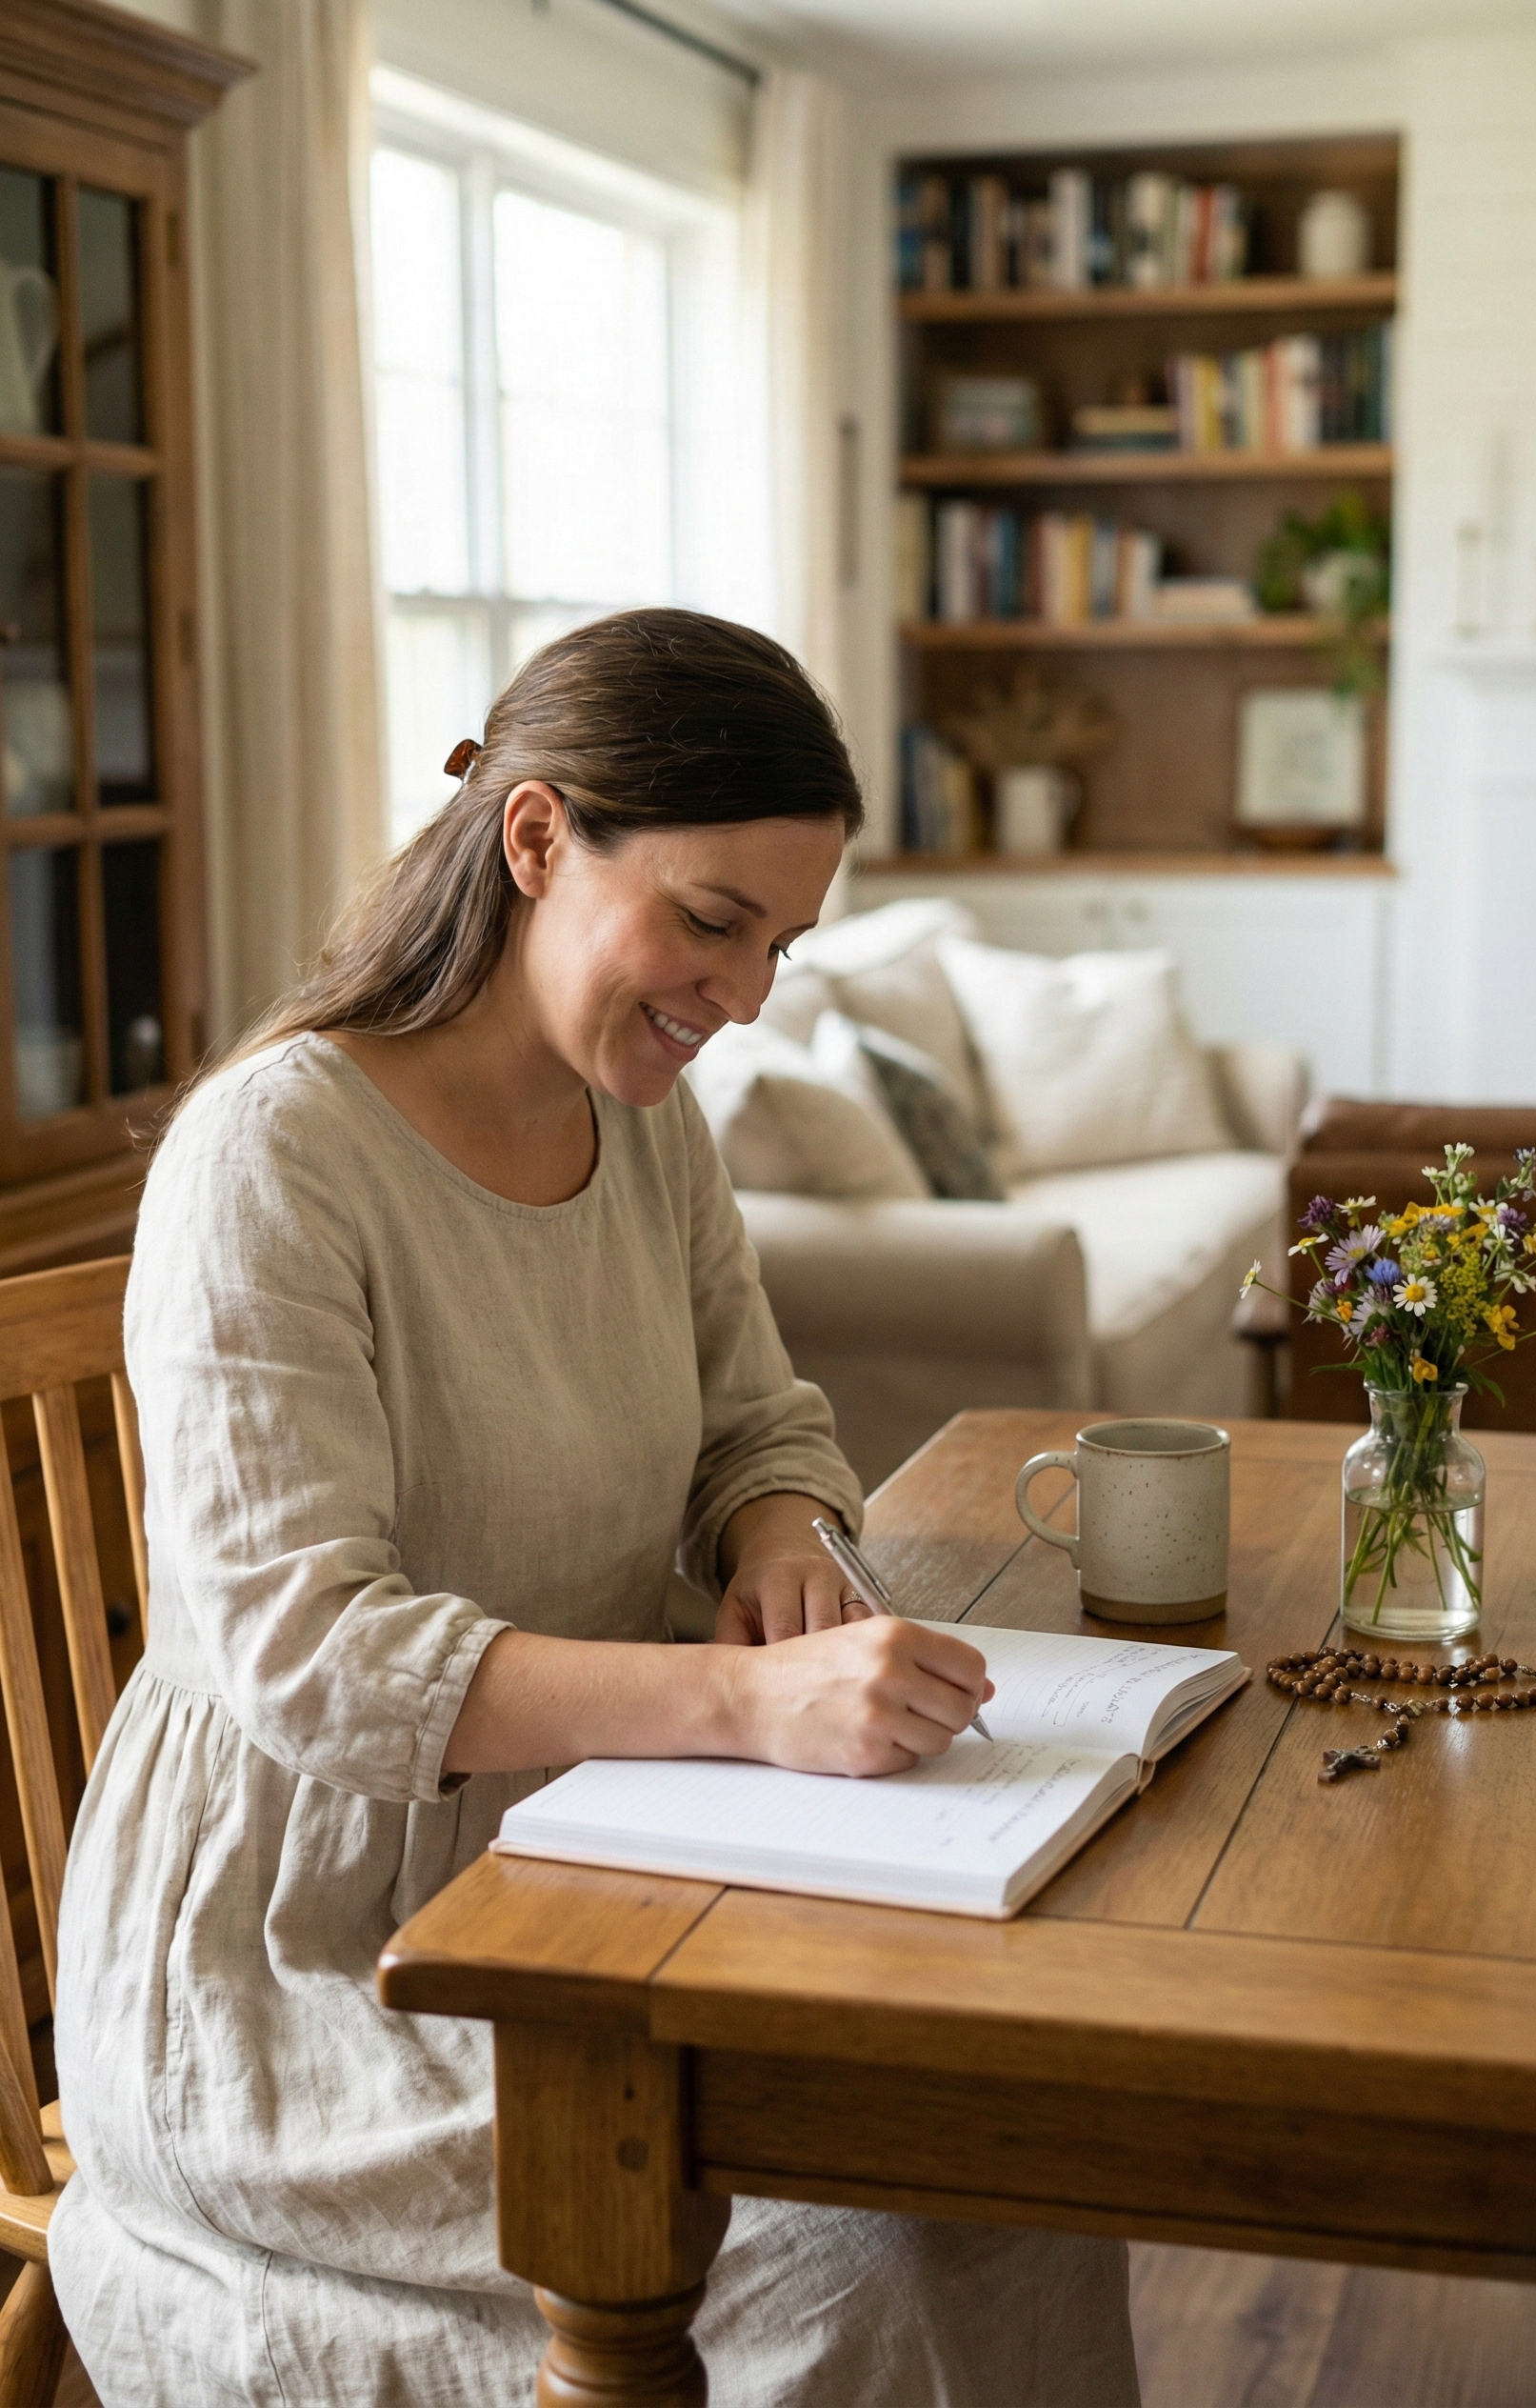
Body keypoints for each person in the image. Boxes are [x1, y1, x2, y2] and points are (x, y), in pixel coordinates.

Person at [50, 611, 1139, 2407]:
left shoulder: (645, 1125)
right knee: (858, 2250)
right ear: (538, 836)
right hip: (311, 1967)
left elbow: (761, 1422)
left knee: (1001, 2169)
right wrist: (742, 1704)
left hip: (611, 1856)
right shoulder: (274, 1161)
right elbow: (307, 1655)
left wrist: (783, 1532)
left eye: (782, 944)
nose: (748, 997)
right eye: (715, 923)